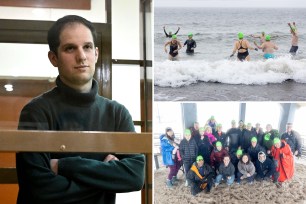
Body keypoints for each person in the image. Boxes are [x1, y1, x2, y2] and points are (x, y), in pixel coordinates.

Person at [16, 15, 145, 204]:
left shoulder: (117, 113)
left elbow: (134, 177)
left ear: (96, 53)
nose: (82, 56)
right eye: (70, 48)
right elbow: (39, 189)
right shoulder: (36, 112)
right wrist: (106, 177)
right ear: (54, 58)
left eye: (87, 47)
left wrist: (65, 166)